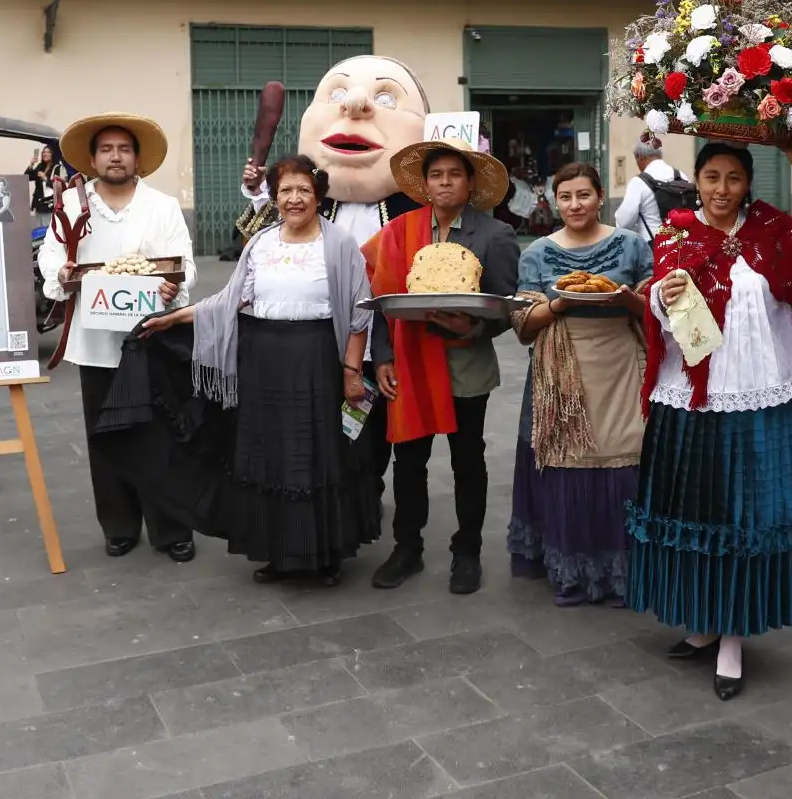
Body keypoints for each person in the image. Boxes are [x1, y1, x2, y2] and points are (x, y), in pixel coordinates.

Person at [628, 137, 792, 700]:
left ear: (749, 184)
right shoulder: (673, 235)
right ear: (697, 180)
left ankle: (733, 638)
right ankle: (704, 621)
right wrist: (664, 298)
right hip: (692, 396)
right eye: (712, 177)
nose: (722, 190)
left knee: (748, 514)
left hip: (759, 393)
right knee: (698, 508)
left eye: (734, 179)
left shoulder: (775, 233)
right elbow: (663, 322)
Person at [146, 155, 379, 585]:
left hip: (316, 358)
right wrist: (174, 318)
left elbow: (360, 314)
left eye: (303, 190)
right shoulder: (260, 243)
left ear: (318, 196)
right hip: (263, 361)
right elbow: (230, 300)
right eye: (286, 190)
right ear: (274, 196)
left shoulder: (340, 244)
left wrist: (351, 371)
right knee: (271, 455)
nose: (294, 199)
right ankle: (279, 552)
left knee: (315, 454)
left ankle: (323, 555)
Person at [241, 56, 431, 505]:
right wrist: (256, 190)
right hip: (317, 343)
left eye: (383, 97)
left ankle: (369, 495)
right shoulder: (314, 203)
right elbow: (255, 238)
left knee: (375, 429)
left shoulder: (411, 211)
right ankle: (342, 498)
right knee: (328, 430)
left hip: (380, 345)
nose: (358, 105)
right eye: (340, 94)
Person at [38, 112, 199, 562]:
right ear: (92, 159)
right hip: (94, 344)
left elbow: (181, 265)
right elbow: (51, 260)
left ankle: (171, 529)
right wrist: (63, 273)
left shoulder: (162, 207)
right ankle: (119, 525)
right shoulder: (72, 207)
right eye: (106, 149)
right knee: (104, 438)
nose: (115, 157)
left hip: (150, 339)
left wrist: (173, 287)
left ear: (137, 158)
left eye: (123, 149)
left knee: (161, 435)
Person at [363, 136, 518, 595]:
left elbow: (507, 307)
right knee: (409, 460)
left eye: (455, 174)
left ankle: (466, 551)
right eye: (437, 175)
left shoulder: (496, 236)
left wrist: (469, 328)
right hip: (409, 362)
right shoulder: (399, 231)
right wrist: (384, 358)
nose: (445, 182)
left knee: (467, 459)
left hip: (466, 363)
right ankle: (406, 548)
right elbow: (379, 299)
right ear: (425, 185)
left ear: (470, 183)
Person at [508, 162, 652, 606]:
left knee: (624, 458)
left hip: (621, 364)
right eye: (566, 196)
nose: (575, 205)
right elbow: (522, 324)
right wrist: (560, 304)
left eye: (583, 195)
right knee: (568, 461)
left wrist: (629, 298)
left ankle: (623, 573)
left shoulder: (631, 245)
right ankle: (572, 573)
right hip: (561, 366)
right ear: (554, 200)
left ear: (600, 195)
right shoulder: (536, 253)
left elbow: (652, 308)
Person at [614, 132, 687, 237]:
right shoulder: (681, 176)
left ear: (640, 156)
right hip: (682, 245)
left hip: (652, 248)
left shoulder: (639, 182)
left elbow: (624, 222)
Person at [26, 143, 69, 216]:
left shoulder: (57, 168)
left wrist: (46, 179)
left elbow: (60, 187)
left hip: (51, 206)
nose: (45, 154)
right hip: (39, 205)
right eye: (43, 152)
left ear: (52, 154)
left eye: (48, 152)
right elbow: (27, 177)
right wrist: (31, 164)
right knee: (40, 227)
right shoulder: (40, 167)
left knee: (50, 226)